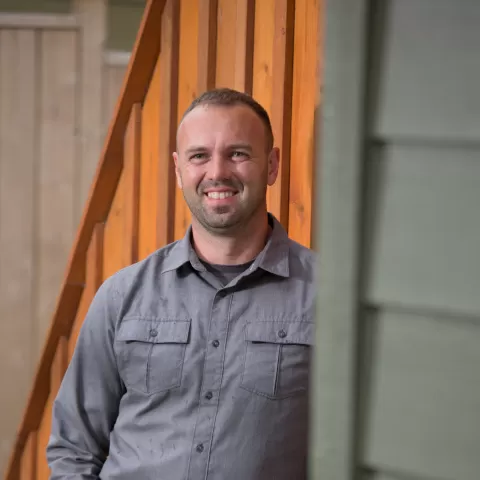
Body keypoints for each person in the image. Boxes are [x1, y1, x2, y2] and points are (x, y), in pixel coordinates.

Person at [47, 88, 316, 479]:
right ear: (178, 170)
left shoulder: (326, 298)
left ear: (272, 165)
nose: (217, 171)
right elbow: (74, 447)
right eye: (199, 156)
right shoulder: (123, 297)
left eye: (238, 153)